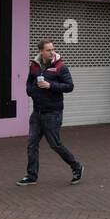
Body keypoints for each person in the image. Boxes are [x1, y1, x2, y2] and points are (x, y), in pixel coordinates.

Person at [18, 39, 83, 186]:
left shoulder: (61, 67)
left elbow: (69, 86)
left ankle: (76, 166)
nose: (52, 52)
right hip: (37, 113)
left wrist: (50, 85)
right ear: (41, 51)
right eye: (48, 50)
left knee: (55, 144)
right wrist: (31, 91)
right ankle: (31, 176)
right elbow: (29, 82)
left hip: (53, 113)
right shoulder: (34, 66)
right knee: (32, 144)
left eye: (53, 49)